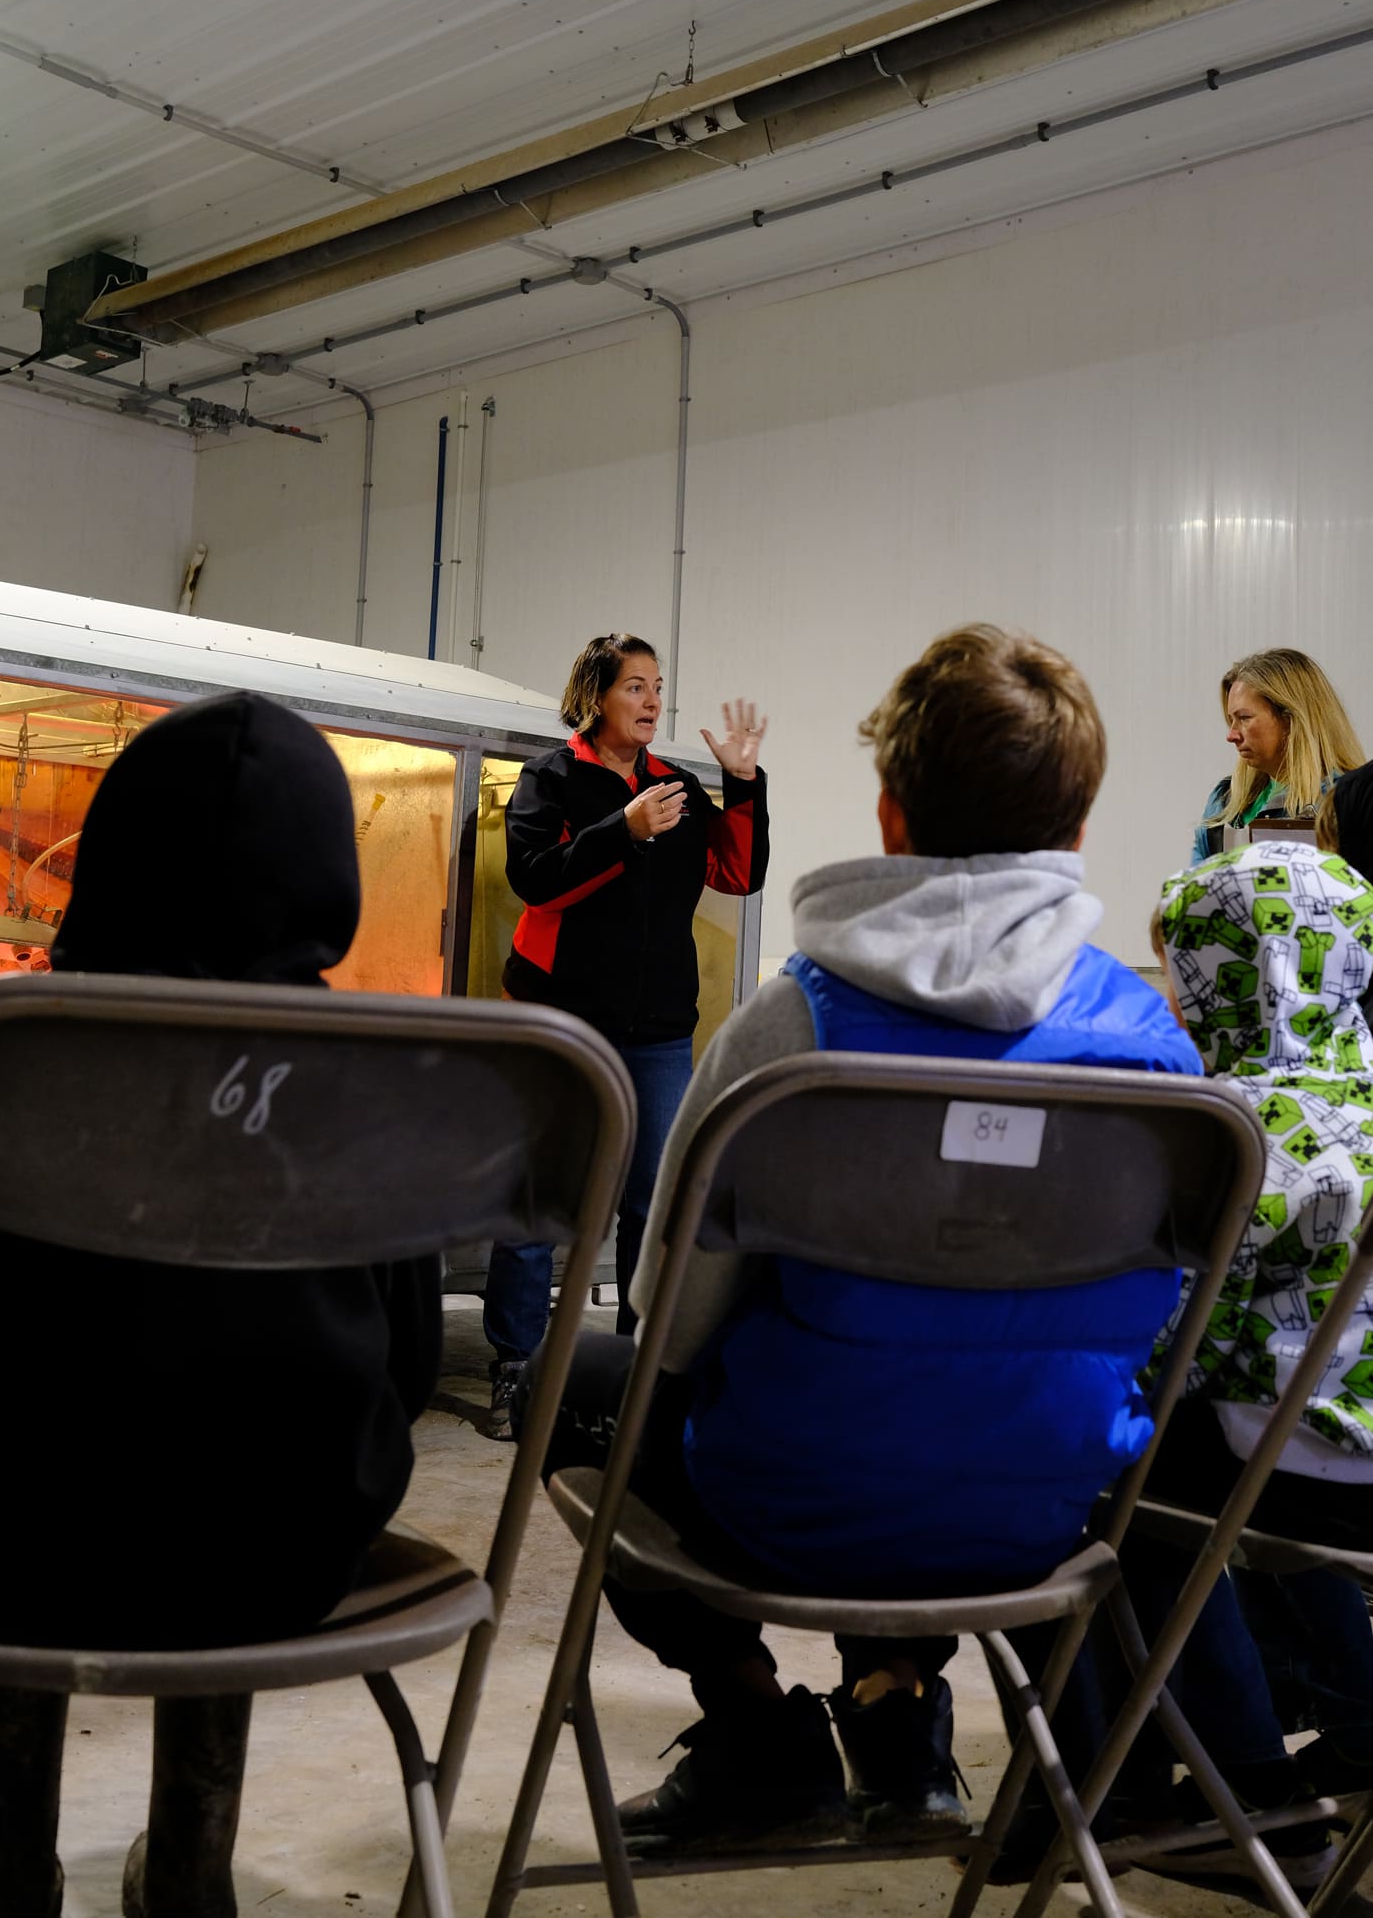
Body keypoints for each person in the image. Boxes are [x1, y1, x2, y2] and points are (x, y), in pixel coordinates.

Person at [524, 624, 1199, 1857]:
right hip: (1050, 1511)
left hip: (782, 1508)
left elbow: (673, 1324)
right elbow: (1161, 1323)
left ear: (890, 814)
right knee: (956, 1378)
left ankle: (755, 1730)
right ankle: (896, 1716)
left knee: (571, 1378)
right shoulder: (1157, 1055)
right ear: (1079, 829)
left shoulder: (790, 1029)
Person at [0, 691, 443, 1918]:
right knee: (244, 1449)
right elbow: (408, 1360)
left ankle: (4, 1875)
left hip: (16, 1538)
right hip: (292, 1539)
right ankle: (192, 1873)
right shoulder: (371, 1078)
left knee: (38, 1449)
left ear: (116, 852)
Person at [1127, 839, 1373, 1892]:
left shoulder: (1226, 1132)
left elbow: (1169, 1346)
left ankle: (1242, 1803)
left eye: (1184, 975)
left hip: (1286, 1473)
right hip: (1360, 1475)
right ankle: (1354, 1728)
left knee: (1116, 1489)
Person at [483, 632, 768, 1437]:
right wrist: (623, 829)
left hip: (658, 1034)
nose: (652, 701)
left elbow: (738, 872)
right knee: (542, 1198)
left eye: (657, 686)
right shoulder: (550, 778)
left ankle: (632, 1372)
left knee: (652, 1203)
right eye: (635, 686)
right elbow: (535, 880)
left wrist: (742, 785)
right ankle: (517, 1368)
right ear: (596, 696)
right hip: (563, 1021)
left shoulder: (675, 787)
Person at [1190, 649, 1362, 865]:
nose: (1231, 735)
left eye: (1244, 718)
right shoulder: (1224, 801)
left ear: (1291, 720)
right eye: (1231, 720)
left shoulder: (1349, 803)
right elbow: (1196, 882)